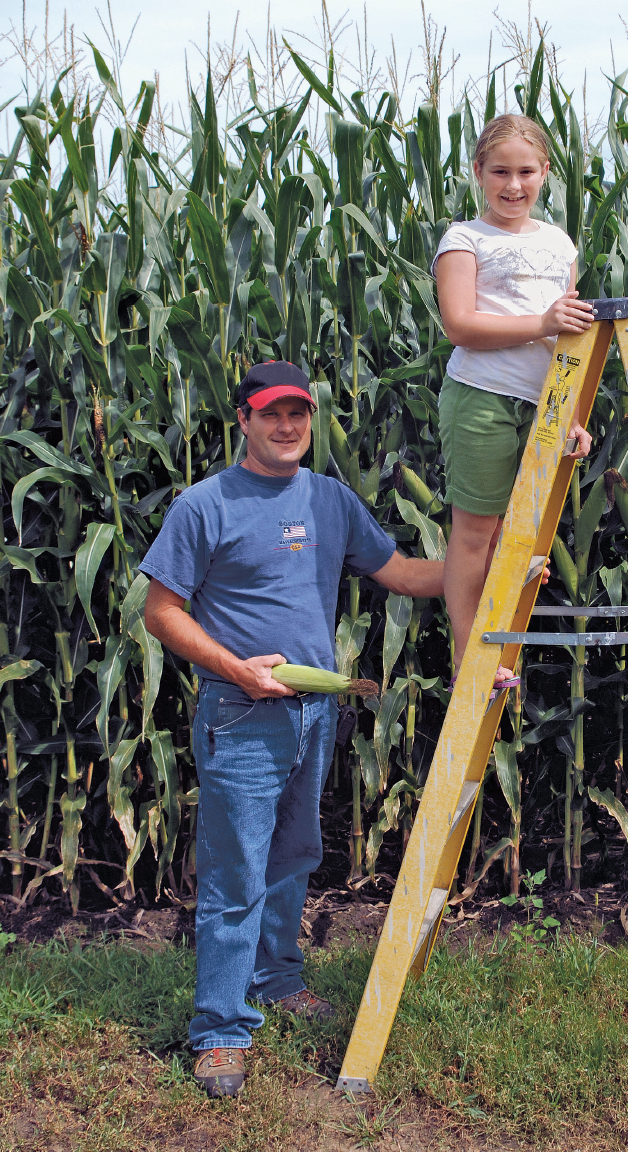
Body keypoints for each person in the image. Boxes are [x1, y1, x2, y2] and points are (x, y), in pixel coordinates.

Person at [141, 361, 443, 1098]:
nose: (288, 427)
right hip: (242, 712)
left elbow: (401, 573)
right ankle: (219, 1029)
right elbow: (161, 612)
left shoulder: (330, 499)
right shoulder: (204, 505)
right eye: (272, 414)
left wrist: (483, 558)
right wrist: (238, 669)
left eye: (299, 414)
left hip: (314, 711)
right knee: (236, 870)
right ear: (242, 420)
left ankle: (276, 980)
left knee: (295, 854)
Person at [433, 113, 595, 688]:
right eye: (499, 171)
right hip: (481, 396)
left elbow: (568, 337)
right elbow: (460, 325)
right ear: (478, 172)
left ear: (545, 172)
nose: (513, 185)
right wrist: (541, 320)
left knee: (519, 537)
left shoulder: (559, 244)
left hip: (546, 404)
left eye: (526, 171)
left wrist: (576, 415)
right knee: (476, 531)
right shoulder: (464, 240)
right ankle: (468, 655)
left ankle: (500, 649)